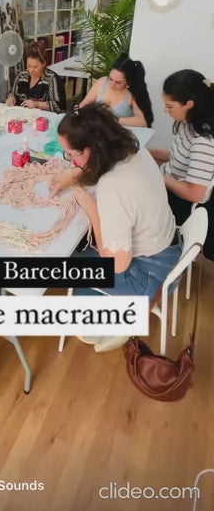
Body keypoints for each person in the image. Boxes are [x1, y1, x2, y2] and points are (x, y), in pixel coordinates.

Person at [50, 104, 180, 352]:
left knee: (70, 264)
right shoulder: (133, 152)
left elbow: (115, 265)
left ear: (88, 151)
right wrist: (75, 174)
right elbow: (98, 170)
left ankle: (121, 320)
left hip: (151, 276)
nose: (70, 160)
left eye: (70, 155)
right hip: (170, 248)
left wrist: (92, 210)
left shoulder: (113, 186)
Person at [149, 70, 214, 225]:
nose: (165, 110)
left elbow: (195, 194)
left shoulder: (203, 142)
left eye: (169, 106)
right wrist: (146, 152)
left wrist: (157, 177)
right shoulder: (189, 122)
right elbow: (179, 156)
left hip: (179, 204)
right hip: (166, 184)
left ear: (189, 104)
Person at [79, 53, 153, 127]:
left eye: (118, 82)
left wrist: (114, 120)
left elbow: (143, 121)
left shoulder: (132, 94)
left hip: (120, 134)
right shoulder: (102, 82)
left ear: (128, 81)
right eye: (110, 79)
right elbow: (85, 103)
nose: (112, 84)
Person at [5, 42, 65, 113]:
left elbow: (58, 107)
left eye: (35, 67)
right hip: (21, 116)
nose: (31, 70)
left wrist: (37, 104)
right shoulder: (22, 76)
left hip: (42, 118)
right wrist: (11, 98)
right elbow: (12, 93)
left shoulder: (51, 79)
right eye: (29, 66)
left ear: (44, 63)